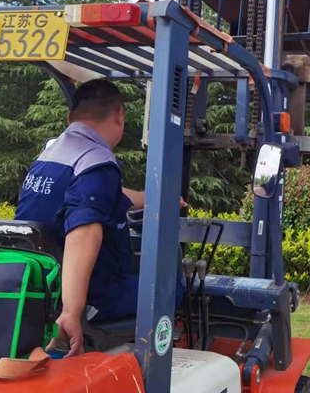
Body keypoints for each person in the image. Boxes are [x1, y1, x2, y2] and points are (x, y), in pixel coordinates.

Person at [16, 79, 185, 356]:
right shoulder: (97, 161)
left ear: (70, 118)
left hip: (37, 286)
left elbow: (108, 195)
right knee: (171, 285)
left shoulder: (50, 157)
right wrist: (72, 311)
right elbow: (84, 230)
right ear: (119, 114)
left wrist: (154, 198)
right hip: (95, 299)